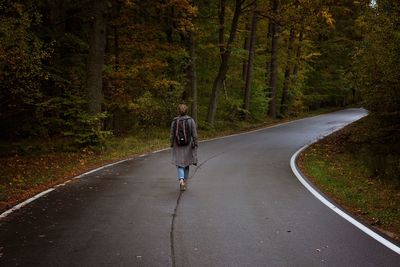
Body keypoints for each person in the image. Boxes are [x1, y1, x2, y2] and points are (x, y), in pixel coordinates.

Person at [170, 104, 198, 191]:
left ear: (178, 111)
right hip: (188, 144)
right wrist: (196, 143)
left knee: (179, 164)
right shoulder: (191, 120)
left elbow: (172, 134)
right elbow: (194, 134)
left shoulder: (174, 121)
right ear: (187, 110)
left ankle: (181, 180)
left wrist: (171, 143)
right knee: (186, 164)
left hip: (177, 144)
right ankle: (185, 182)